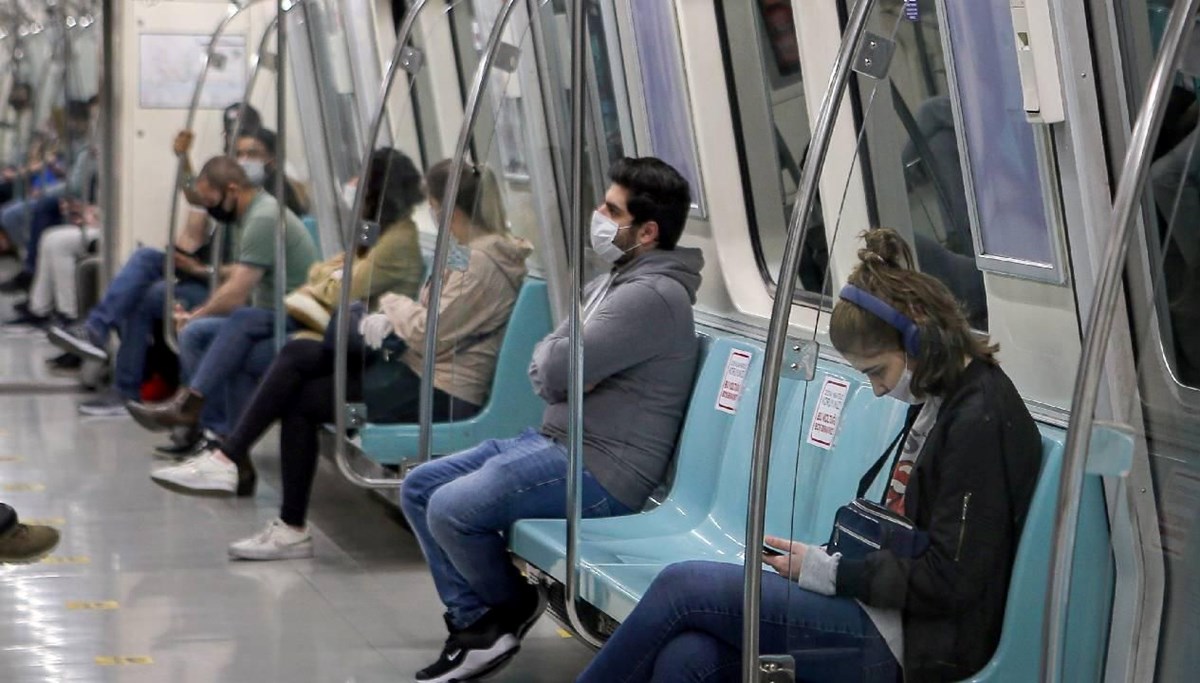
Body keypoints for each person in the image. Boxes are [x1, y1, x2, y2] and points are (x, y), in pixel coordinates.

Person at [575, 228, 1042, 683]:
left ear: (918, 339)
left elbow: (951, 579)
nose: (879, 390)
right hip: (883, 614)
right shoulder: (941, 399)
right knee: (689, 658)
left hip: (912, 644)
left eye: (878, 371)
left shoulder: (978, 422)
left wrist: (834, 573)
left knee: (681, 590)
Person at [400, 157, 703, 682]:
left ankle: (499, 617)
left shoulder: (651, 296)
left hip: (602, 469)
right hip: (557, 442)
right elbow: (548, 363)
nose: (598, 216)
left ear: (648, 231)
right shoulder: (610, 284)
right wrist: (564, 367)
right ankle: (482, 622)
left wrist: (565, 367)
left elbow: (556, 365)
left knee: (451, 507)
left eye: (611, 210)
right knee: (421, 487)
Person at [150, 160, 530, 564]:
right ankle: (230, 459)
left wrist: (390, 306)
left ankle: (250, 481)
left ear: (446, 208)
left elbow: (427, 329)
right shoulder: (463, 252)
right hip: (415, 368)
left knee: (299, 393)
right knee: (297, 355)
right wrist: (394, 315)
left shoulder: (478, 262)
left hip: (437, 388)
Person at [47, 127, 296, 416]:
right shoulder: (234, 198)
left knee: (149, 295)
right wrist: (184, 159)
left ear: (272, 160)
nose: (243, 160)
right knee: (145, 261)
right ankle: (97, 333)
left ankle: (107, 352)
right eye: (238, 153)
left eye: (252, 154)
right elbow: (196, 195)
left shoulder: (273, 201)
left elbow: (248, 276)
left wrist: (204, 272)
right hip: (215, 273)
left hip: (240, 290)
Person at [122, 155, 317, 441]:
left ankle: (208, 421)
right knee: (194, 335)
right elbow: (243, 269)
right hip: (265, 314)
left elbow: (237, 292)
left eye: (212, 201)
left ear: (233, 189)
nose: (211, 209)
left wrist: (196, 314)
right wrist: (202, 271)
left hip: (290, 316)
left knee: (219, 331)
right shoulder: (245, 214)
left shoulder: (263, 217)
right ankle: (211, 430)